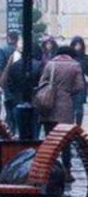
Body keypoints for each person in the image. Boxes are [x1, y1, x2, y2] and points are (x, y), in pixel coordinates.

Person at [38, 46, 85, 182]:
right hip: (65, 107)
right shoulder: (75, 66)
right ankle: (67, 171)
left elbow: (42, 83)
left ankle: (49, 169)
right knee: (65, 141)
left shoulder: (50, 64)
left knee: (50, 139)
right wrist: (67, 92)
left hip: (48, 105)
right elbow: (80, 86)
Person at [2, 41, 43, 135]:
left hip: (17, 100)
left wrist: (15, 93)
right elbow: (42, 83)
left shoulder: (14, 65)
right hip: (35, 101)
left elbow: (9, 83)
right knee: (35, 130)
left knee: (20, 130)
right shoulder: (39, 65)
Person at [70, 37, 88, 127]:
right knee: (71, 108)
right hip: (70, 84)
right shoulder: (70, 58)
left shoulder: (86, 58)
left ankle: (78, 127)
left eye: (79, 45)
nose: (77, 47)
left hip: (82, 85)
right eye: (76, 45)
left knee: (79, 109)